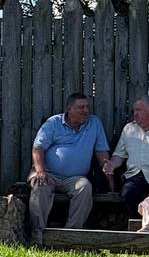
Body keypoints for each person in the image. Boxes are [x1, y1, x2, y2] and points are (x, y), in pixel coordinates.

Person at [27, 93, 111, 245]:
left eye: (87, 107)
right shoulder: (53, 123)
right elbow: (38, 148)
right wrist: (40, 170)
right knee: (40, 186)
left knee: (85, 187)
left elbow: (101, 151)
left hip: (75, 178)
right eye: (81, 107)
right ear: (69, 109)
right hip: (48, 174)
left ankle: (70, 236)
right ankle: (37, 236)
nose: (86, 111)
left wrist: (108, 173)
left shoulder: (94, 123)